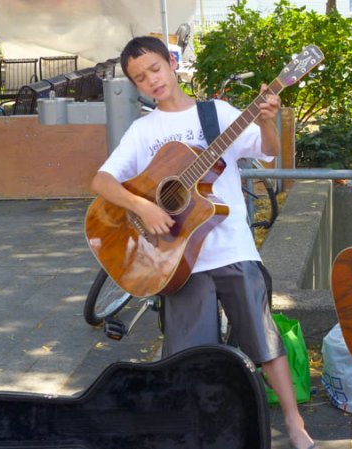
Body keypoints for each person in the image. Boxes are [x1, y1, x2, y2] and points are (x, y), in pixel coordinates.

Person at [90, 36, 316, 449]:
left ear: (171, 64)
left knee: (264, 339)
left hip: (232, 247)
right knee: (187, 355)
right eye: (140, 78)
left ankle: (294, 421)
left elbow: (268, 152)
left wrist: (268, 119)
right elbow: (101, 181)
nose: (151, 81)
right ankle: (194, 430)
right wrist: (144, 208)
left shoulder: (219, 115)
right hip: (176, 260)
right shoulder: (143, 131)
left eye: (155, 69)